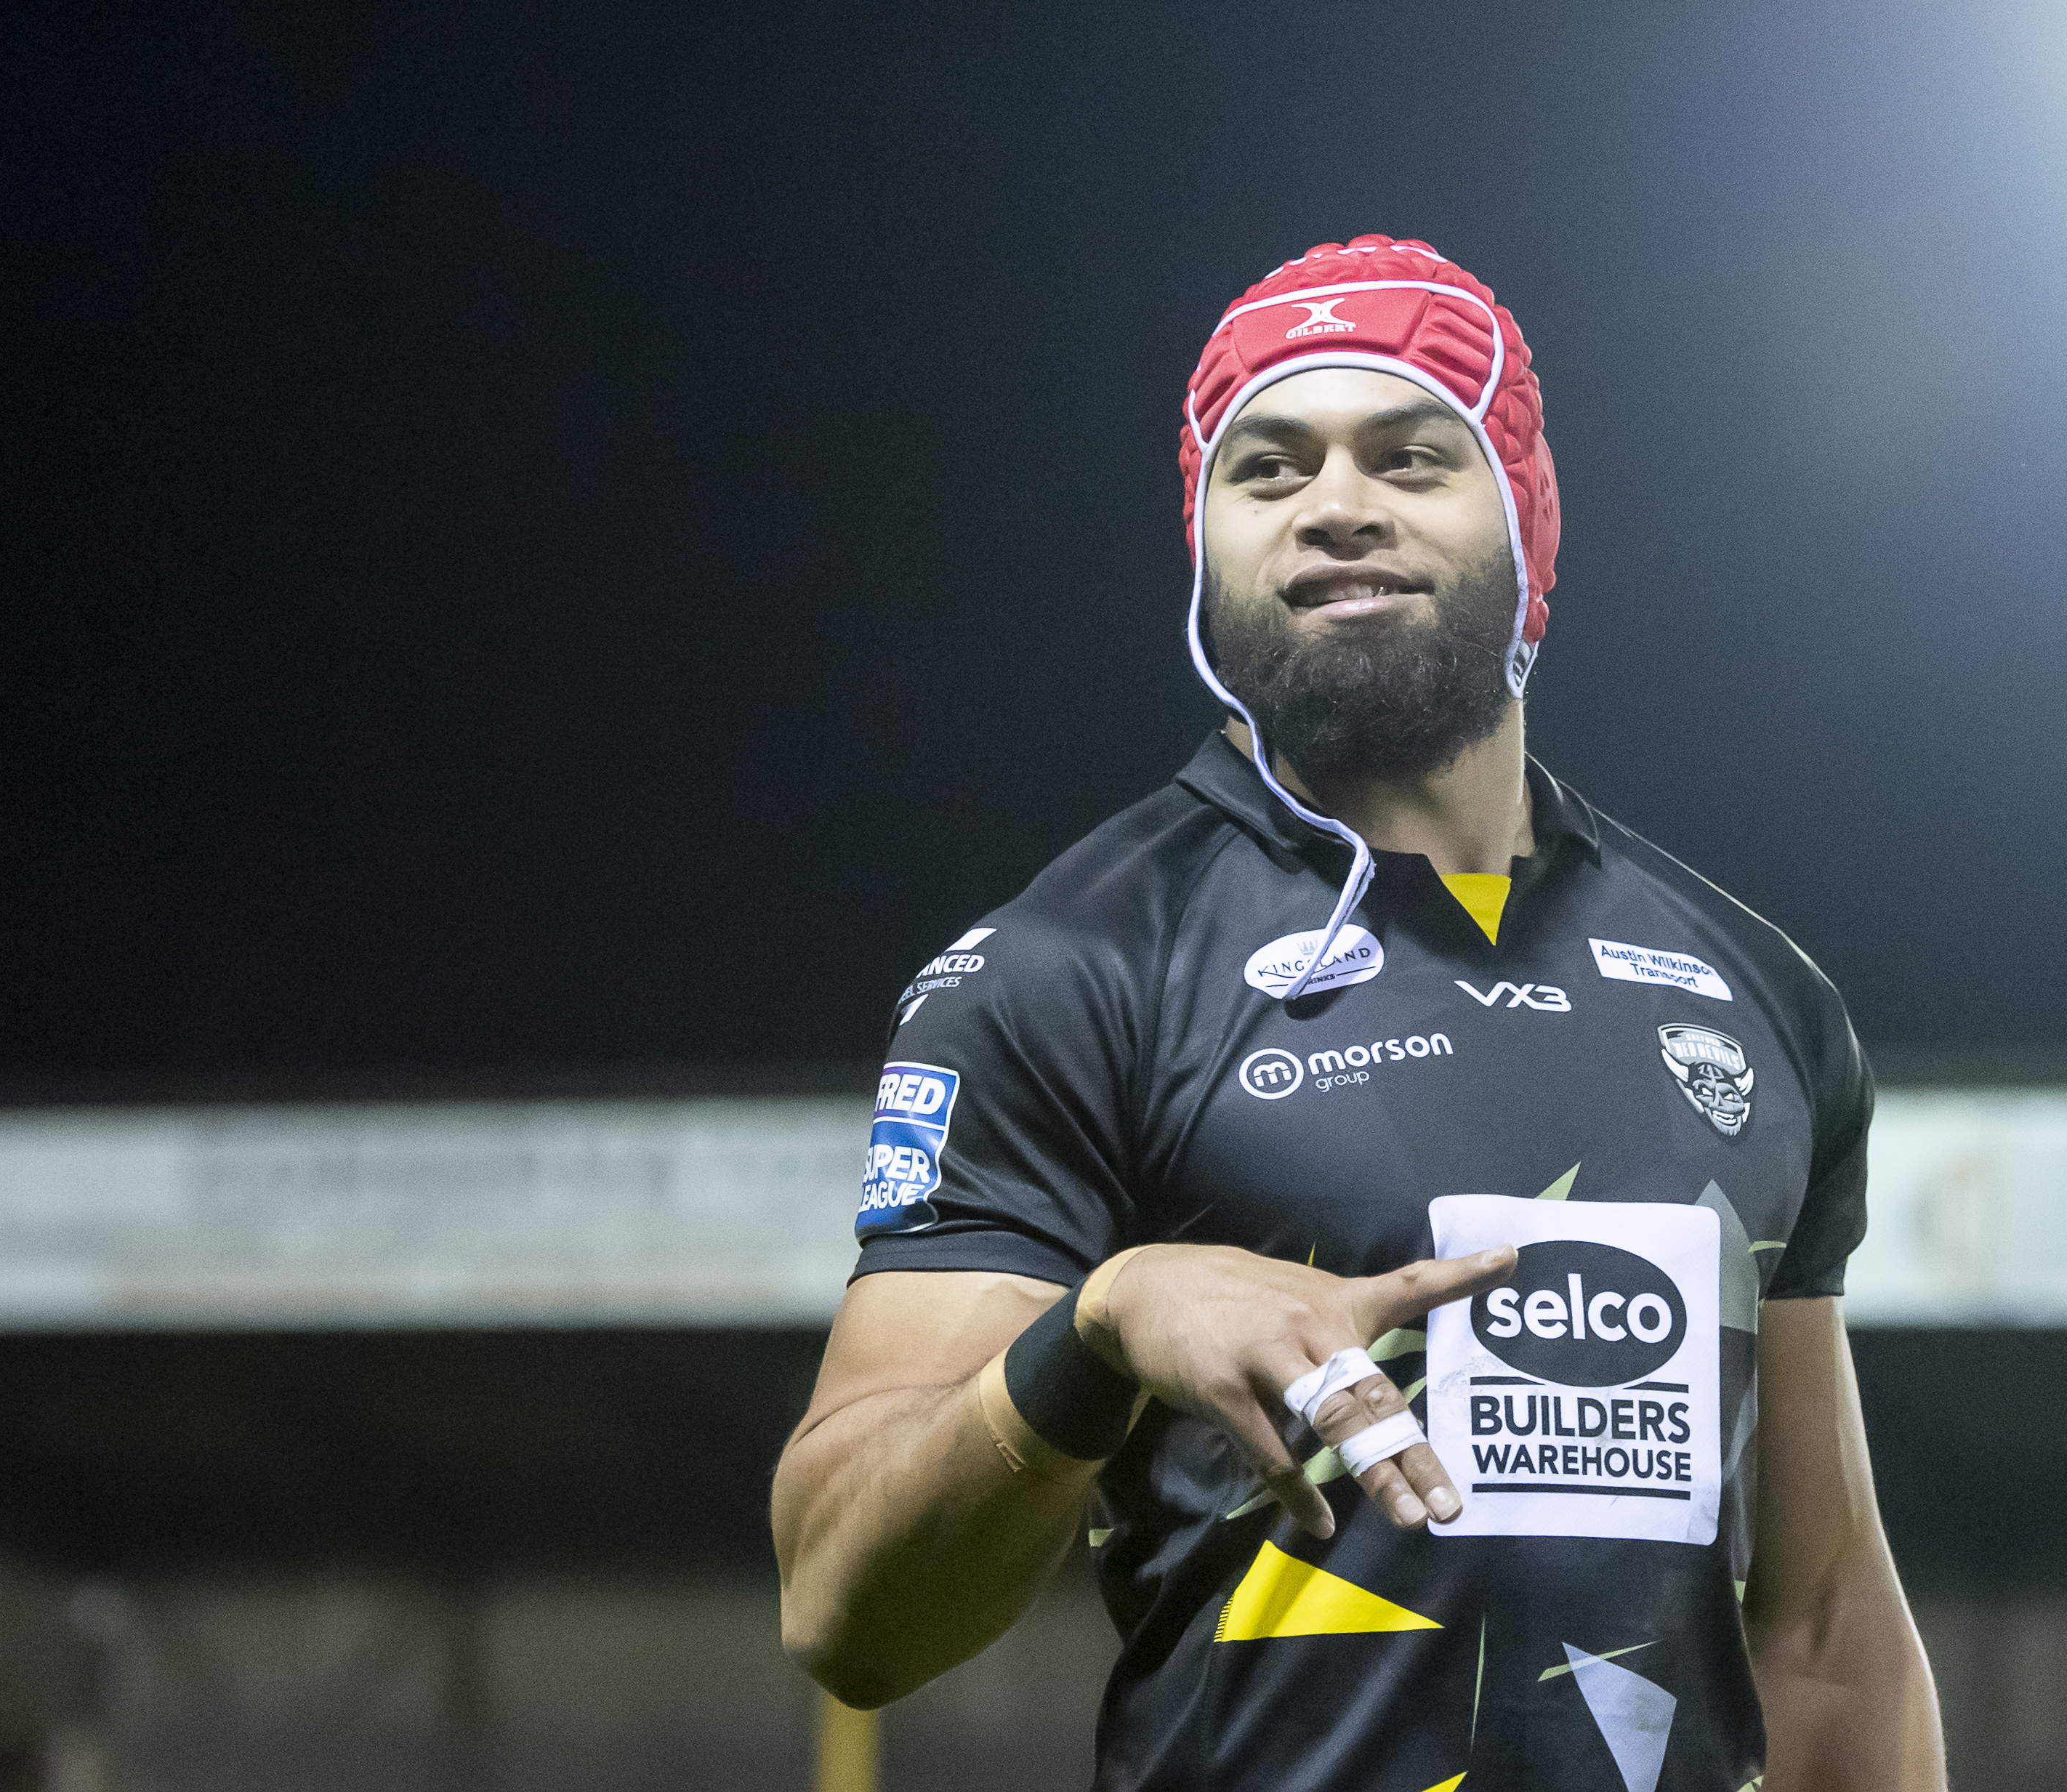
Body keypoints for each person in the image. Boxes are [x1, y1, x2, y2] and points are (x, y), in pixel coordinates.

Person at [771, 235, 1944, 1792]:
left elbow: (1822, 1627)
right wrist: (1104, 1322)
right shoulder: (1066, 970)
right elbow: (848, 1605)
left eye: (1409, 456)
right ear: (1205, 542)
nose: (1336, 505)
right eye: (1267, 467)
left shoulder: (1758, 996)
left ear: (1523, 515)